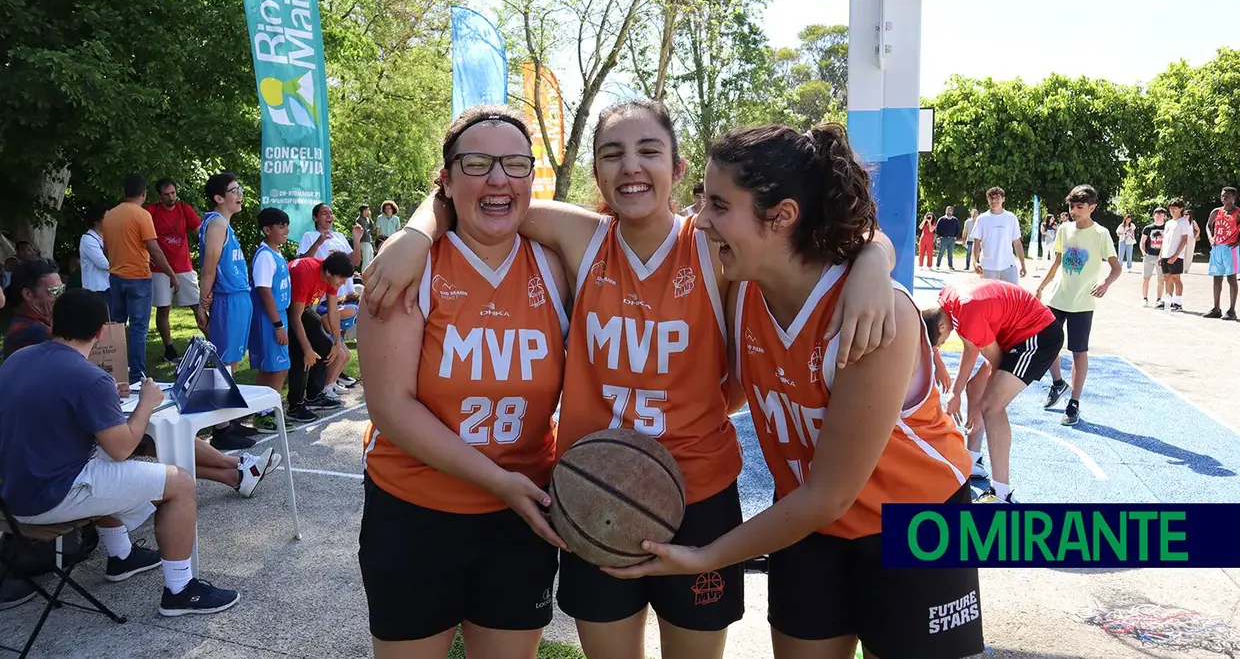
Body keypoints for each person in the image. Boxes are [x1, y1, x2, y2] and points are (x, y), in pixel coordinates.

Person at [362, 100, 899, 659]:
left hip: (698, 495)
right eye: (612, 154)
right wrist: (416, 233)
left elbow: (813, 246)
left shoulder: (717, 247)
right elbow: (483, 202)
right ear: (596, 173)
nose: (631, 167)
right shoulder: (580, 238)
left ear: (679, 167)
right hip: (595, 491)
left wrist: (873, 261)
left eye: (649, 152)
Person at [604, 122, 983, 659]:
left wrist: (704, 556)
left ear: (781, 216)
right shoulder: (741, 287)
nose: (700, 220)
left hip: (915, 525)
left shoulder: (874, 318)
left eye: (717, 204)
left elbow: (830, 494)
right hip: (806, 523)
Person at [356, 105, 572, 659]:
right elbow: (390, 407)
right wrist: (414, 233)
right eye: (477, 163)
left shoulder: (556, 266)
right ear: (447, 181)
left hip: (520, 513)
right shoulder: (409, 267)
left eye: (516, 164)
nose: (498, 178)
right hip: (415, 510)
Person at [0, 289, 240, 616]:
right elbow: (122, 448)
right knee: (180, 484)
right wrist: (146, 403)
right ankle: (181, 590)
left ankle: (122, 555)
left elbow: (51, 408)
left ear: (52, 322)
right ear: (101, 331)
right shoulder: (88, 377)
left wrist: (105, 397)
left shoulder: (17, 359)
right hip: (49, 498)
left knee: (99, 458)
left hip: (11, 497)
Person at [923, 277, 1062, 504]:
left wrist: (978, 409)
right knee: (974, 388)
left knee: (991, 406)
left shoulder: (966, 312)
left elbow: (996, 362)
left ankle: (1001, 494)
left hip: (1037, 336)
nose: (942, 345)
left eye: (940, 343)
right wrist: (956, 392)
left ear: (941, 327)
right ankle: (973, 460)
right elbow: (971, 347)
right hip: (1013, 333)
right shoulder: (947, 299)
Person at [1034, 185, 1121, 426]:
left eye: (1079, 207)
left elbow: (1116, 268)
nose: (1074, 211)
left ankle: (1074, 402)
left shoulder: (1101, 234)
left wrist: (1106, 283)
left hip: (1082, 303)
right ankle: (1058, 383)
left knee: (1078, 352)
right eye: (1071, 206)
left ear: (1092, 207)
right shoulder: (1063, 229)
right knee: (1047, 343)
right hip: (1057, 298)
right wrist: (1042, 286)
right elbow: (1058, 262)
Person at [101, 173, 179, 383]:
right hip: (138, 277)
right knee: (138, 329)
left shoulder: (110, 216)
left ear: (123, 192)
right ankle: (137, 376)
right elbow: (154, 249)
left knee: (116, 326)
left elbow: (107, 248)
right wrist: (172, 274)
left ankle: (115, 372)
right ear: (144, 194)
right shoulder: (142, 215)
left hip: (116, 277)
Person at [198, 172, 257, 450]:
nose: (239, 194)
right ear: (219, 198)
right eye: (234, 190)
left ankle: (229, 421)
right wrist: (202, 302)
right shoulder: (216, 223)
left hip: (238, 297)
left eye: (239, 189)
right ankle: (220, 429)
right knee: (221, 363)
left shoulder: (225, 224)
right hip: (226, 299)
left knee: (231, 361)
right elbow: (209, 266)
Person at [296, 203, 362, 393]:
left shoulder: (340, 236)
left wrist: (357, 239)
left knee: (338, 337)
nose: (329, 216)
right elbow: (303, 261)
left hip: (344, 294)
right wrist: (318, 242)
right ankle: (325, 382)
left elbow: (355, 262)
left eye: (331, 213)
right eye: (324, 213)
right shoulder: (309, 236)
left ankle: (334, 377)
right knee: (331, 334)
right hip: (322, 296)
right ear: (315, 217)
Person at [286, 251, 354, 422]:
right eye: (342, 278)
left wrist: (337, 341)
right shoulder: (306, 272)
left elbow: (333, 311)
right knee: (301, 354)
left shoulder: (330, 275)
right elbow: (295, 317)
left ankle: (314, 395)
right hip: (287, 309)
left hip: (304, 308)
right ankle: (295, 405)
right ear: (329, 273)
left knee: (326, 347)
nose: (344, 283)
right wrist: (308, 349)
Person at [145, 178, 207, 360]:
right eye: (167, 194)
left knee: (198, 305)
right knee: (163, 309)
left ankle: (215, 345)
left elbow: (200, 232)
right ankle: (169, 350)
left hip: (183, 265)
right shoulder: (151, 211)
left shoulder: (183, 208)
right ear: (159, 195)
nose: (171, 197)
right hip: (159, 268)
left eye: (173, 193)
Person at [249, 207, 300, 429]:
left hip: (279, 314)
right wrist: (278, 324)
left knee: (272, 366)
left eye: (286, 225)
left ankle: (263, 411)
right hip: (270, 317)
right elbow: (264, 291)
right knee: (279, 367)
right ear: (266, 229)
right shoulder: (264, 256)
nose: (286, 230)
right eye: (281, 226)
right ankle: (267, 413)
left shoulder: (276, 253)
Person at [2, 258, 63, 360]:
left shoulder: (28, 326)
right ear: (28, 294)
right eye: (55, 291)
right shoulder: (35, 333)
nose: (61, 296)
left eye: (62, 289)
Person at [971, 186, 1026, 284]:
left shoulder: (1011, 218)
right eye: (990, 198)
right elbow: (976, 243)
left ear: (1003, 199)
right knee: (989, 298)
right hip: (988, 267)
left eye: (997, 197)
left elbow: (1017, 242)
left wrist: (1023, 264)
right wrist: (975, 262)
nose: (994, 200)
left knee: (1011, 297)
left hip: (1008, 266)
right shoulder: (982, 219)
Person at [1204, 186, 1239, 320]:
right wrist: (1210, 238)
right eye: (1223, 195)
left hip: (1230, 249)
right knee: (1217, 277)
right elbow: (1208, 225)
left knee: (1231, 278)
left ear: (1234, 198)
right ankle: (1216, 308)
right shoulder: (1216, 211)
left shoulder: (1237, 212)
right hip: (1217, 247)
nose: (1224, 197)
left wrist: (1238, 241)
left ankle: (1231, 310)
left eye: (1228, 196)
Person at [1159, 198, 1193, 312]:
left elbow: (1184, 240)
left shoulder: (1183, 222)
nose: (1172, 210)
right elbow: (1165, 240)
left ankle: (1178, 303)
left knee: (1176, 278)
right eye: (1171, 208)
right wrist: (1161, 255)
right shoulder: (1168, 223)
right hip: (1165, 254)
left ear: (1181, 209)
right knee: (1166, 277)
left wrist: (1176, 255)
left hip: (1176, 256)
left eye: (1175, 208)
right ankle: (1168, 301)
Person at [79, 204, 111, 313]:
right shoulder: (88, 240)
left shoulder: (106, 237)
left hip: (108, 287)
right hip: (96, 289)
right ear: (97, 221)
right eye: (107, 217)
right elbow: (104, 264)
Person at [1140, 206, 1167, 307]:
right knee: (1146, 278)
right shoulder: (1148, 228)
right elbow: (1142, 242)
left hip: (1162, 257)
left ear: (1165, 216)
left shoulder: (1167, 227)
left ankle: (1159, 299)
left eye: (1161, 214)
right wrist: (1143, 252)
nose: (1159, 216)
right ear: (1153, 216)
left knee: (1161, 279)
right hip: (1150, 255)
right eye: (1157, 214)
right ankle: (1145, 298)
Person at [935, 205, 961, 270]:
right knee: (941, 252)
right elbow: (937, 228)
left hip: (952, 239)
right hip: (943, 238)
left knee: (950, 253)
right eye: (948, 210)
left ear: (952, 212)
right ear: (946, 211)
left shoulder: (955, 220)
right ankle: (937, 265)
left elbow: (958, 229)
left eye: (950, 210)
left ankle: (950, 266)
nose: (949, 212)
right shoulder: (941, 219)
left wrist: (955, 236)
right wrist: (939, 236)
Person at [355, 204, 375, 271]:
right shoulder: (359, 219)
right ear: (364, 210)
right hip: (363, 241)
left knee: (371, 259)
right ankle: (364, 275)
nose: (369, 211)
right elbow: (364, 231)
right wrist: (368, 231)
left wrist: (370, 218)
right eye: (368, 210)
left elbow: (372, 228)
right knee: (366, 260)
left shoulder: (367, 219)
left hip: (368, 241)